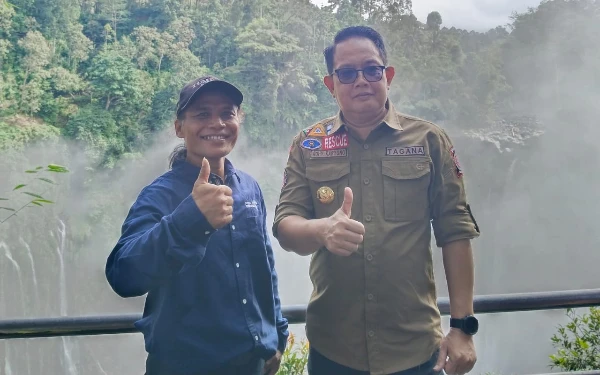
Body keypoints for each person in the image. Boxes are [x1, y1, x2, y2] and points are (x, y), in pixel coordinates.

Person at [273, 26, 481, 375]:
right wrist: (322, 230)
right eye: (347, 73)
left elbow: (455, 232)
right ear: (331, 84)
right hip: (334, 349)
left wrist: (462, 326)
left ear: (388, 75)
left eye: (371, 69)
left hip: (414, 348)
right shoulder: (308, 144)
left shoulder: (430, 140)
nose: (361, 81)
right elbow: (285, 225)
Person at [105, 76, 288, 375]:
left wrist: (277, 334)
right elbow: (122, 275)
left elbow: (264, 268)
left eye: (227, 113)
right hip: (186, 364)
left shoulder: (249, 188)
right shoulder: (160, 195)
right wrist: (190, 220)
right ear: (179, 127)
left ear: (238, 120)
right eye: (202, 114)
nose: (216, 123)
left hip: (253, 361)